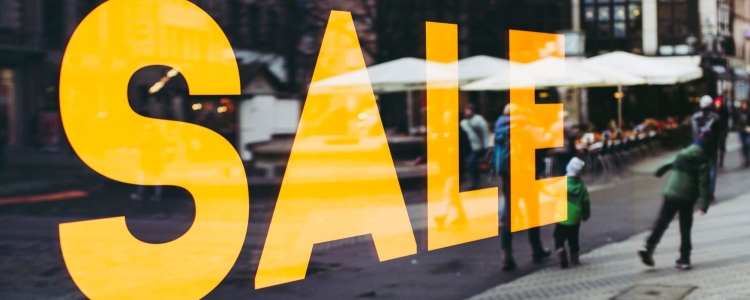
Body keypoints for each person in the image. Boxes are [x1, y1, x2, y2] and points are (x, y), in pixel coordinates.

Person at [638, 128, 712, 270]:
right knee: (685, 227)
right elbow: (704, 185)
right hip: (687, 197)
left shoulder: (683, 154)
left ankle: (648, 246)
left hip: (671, 192)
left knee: (662, 221)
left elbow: (665, 164)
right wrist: (704, 205)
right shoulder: (703, 160)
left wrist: (658, 172)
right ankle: (684, 258)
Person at [494, 103, 551, 271]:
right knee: (532, 212)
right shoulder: (526, 128)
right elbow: (542, 146)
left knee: (509, 216)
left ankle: (506, 256)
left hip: (508, 176)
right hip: (526, 174)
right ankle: (536, 249)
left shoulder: (501, 129)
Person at [554, 157, 590, 269]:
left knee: (558, 236)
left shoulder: (561, 183)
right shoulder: (582, 186)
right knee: (573, 238)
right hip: (575, 217)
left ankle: (560, 249)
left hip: (561, 215)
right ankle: (574, 256)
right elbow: (585, 202)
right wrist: (585, 215)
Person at [690, 95, 719, 198]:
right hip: (711, 146)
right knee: (712, 169)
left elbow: (693, 133)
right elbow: (718, 134)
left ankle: (700, 192)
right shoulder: (715, 117)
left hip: (699, 146)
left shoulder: (694, 117)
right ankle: (709, 192)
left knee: (699, 169)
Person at [460, 104, 490, 189]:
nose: (466, 112)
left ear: (472, 110)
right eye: (465, 110)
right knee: (471, 164)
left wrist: (486, 145)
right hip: (467, 147)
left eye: (468, 110)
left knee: (472, 163)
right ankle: (475, 182)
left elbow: (484, 133)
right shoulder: (463, 122)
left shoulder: (479, 120)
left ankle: (476, 183)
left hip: (477, 146)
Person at [713, 97, 730, 168]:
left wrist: (725, 131)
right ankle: (715, 160)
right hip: (714, 131)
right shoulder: (713, 111)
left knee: (721, 145)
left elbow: (725, 122)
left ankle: (721, 160)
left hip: (721, 130)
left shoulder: (724, 110)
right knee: (715, 146)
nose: (717, 104)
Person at [735, 101, 750, 167]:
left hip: (748, 130)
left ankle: (747, 157)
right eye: (743, 105)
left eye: (745, 105)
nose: (744, 106)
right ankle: (746, 158)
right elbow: (736, 120)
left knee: (748, 143)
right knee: (743, 145)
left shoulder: (749, 112)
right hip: (741, 130)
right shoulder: (738, 113)